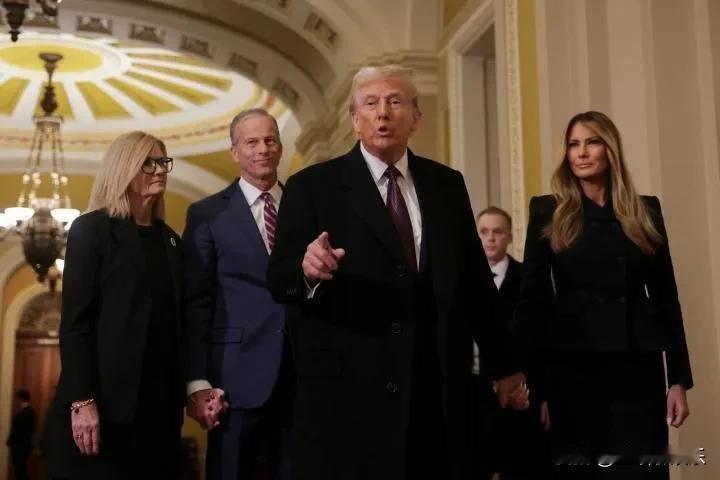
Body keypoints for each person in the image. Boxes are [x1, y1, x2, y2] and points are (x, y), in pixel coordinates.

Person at [267, 64, 529, 480]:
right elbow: (279, 278)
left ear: (416, 118)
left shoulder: (447, 185)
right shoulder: (312, 186)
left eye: (395, 101)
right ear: (355, 119)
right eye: (370, 104)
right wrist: (308, 270)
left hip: (435, 388)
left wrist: (506, 366)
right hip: (353, 392)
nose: (383, 113)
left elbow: (476, 284)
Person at [515, 111, 692, 479]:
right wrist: (536, 387)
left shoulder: (645, 210)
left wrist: (677, 379)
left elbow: (666, 298)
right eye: (573, 144)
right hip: (572, 368)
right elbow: (533, 302)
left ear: (610, 150)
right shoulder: (547, 210)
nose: (581, 152)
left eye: (592, 142)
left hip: (637, 367)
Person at [44, 131, 184, 479]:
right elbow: (76, 324)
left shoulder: (171, 241)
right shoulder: (91, 230)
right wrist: (82, 401)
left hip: (159, 414)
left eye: (162, 162)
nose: (159, 170)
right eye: (148, 163)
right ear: (124, 168)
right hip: (102, 411)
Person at [184, 108, 292, 480]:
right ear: (235, 152)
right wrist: (197, 381)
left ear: (280, 147)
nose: (263, 149)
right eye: (252, 142)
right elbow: (197, 303)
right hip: (234, 379)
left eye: (270, 140)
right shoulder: (207, 214)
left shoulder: (306, 205)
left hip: (303, 376)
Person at [473, 207, 551, 479]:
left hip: (524, 395)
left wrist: (545, 394)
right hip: (477, 397)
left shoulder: (527, 277)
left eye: (497, 232)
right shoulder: (462, 280)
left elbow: (542, 338)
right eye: (483, 232)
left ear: (509, 236)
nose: (490, 238)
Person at [6, 389, 35, 480]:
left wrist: (11, 440)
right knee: (20, 470)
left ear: (21, 398)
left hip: (20, 446)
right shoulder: (28, 411)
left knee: (20, 470)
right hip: (21, 445)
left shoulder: (25, 412)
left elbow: (19, 429)